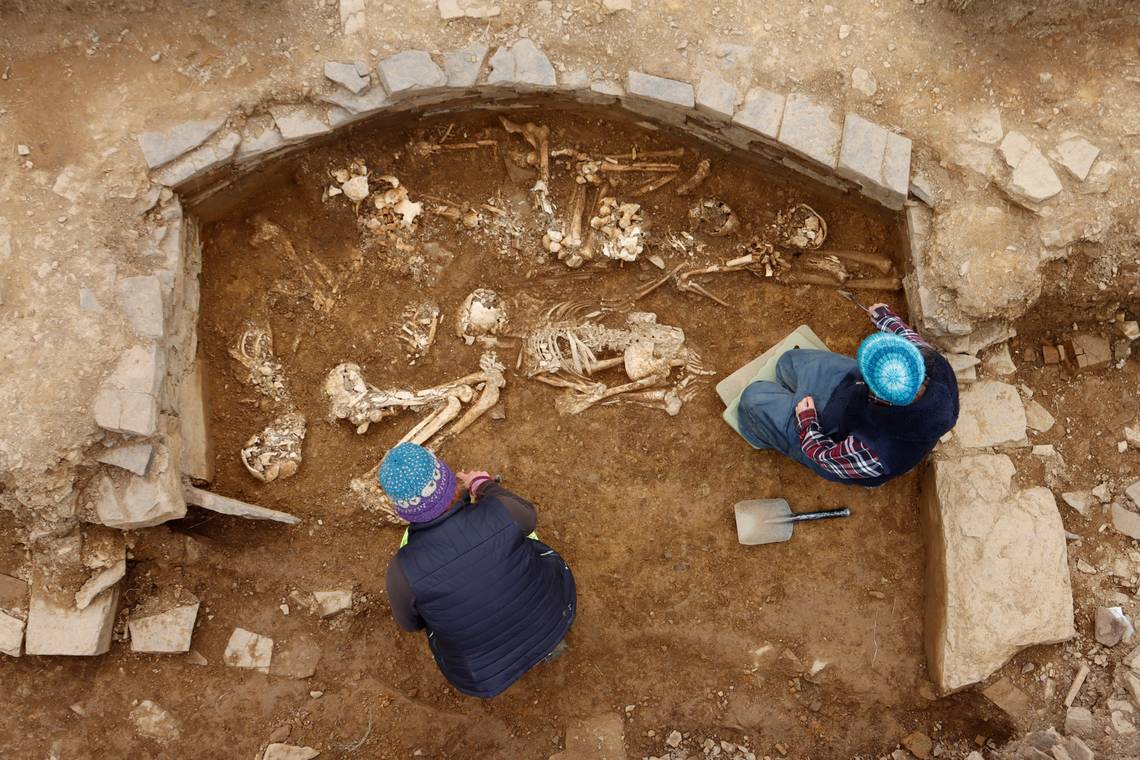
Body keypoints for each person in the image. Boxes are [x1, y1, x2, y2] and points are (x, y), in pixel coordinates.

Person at [379, 442, 576, 698]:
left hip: (483, 676)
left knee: (435, 618)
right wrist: (483, 485)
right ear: (450, 484)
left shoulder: (401, 571)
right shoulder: (501, 511)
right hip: (555, 618)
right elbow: (528, 518)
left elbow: (410, 624)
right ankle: (548, 645)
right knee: (527, 540)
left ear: (401, 511)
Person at [738, 303, 958, 487]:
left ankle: (759, 432)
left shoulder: (876, 451)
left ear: (875, 389)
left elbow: (824, 457)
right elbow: (909, 339)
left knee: (752, 399)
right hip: (850, 393)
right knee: (788, 362)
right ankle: (784, 403)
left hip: (836, 437)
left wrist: (806, 423)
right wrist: (884, 317)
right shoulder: (931, 364)